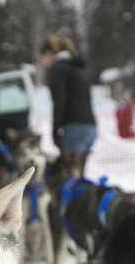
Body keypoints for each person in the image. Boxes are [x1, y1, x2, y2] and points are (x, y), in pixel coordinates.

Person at [40, 34, 96, 176]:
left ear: (50, 53)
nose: (43, 60)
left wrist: (55, 128)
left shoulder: (59, 69)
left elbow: (59, 100)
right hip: (90, 127)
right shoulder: (75, 67)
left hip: (74, 128)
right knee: (78, 177)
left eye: (43, 56)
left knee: (68, 177)